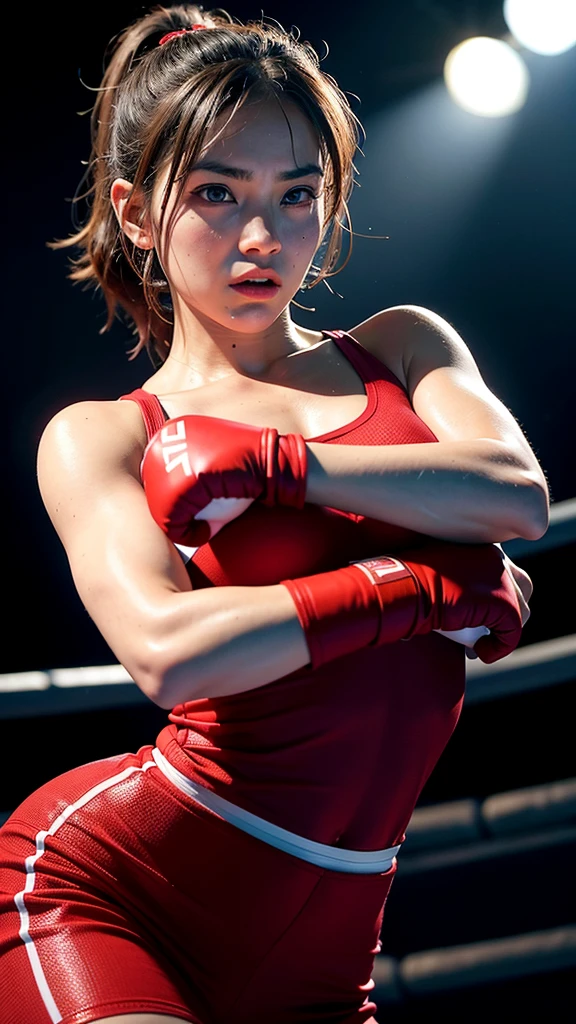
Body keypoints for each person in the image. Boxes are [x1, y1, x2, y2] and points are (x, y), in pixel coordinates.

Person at [0, 5, 548, 1024]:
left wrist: (280, 466)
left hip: (330, 951)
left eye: (297, 195)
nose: (262, 237)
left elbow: (512, 492)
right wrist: (418, 589)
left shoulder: (399, 347)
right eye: (215, 192)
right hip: (107, 892)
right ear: (133, 211)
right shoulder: (105, 435)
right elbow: (170, 652)